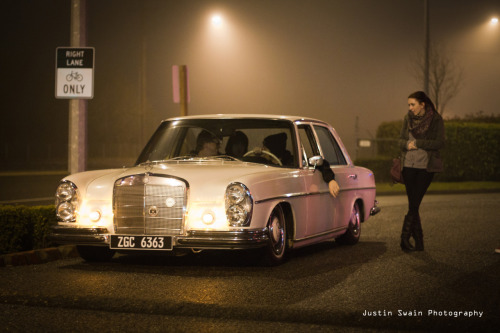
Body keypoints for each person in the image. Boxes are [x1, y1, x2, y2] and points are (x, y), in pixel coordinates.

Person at [398, 91, 445, 252]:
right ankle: (419, 241)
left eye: (413, 104)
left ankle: (404, 237)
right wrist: (406, 145)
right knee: (414, 204)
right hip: (408, 166)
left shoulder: (435, 119)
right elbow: (400, 140)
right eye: (409, 105)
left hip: (426, 167)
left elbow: (439, 143)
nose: (410, 108)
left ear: (422, 104)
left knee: (414, 203)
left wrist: (418, 143)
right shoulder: (407, 118)